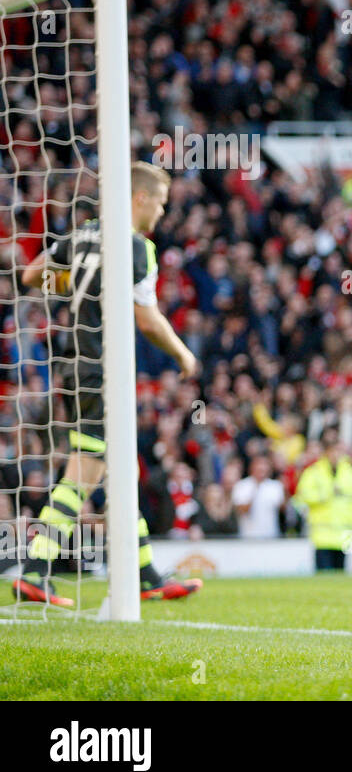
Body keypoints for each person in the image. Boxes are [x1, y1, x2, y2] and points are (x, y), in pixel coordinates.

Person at [12, 162, 202, 607]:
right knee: (83, 475)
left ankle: (147, 574)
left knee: (118, 471)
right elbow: (146, 317)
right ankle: (36, 568)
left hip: (75, 367)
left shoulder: (79, 235)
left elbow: (29, 276)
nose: (160, 212)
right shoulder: (136, 246)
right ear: (139, 199)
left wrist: (74, 283)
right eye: (158, 203)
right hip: (103, 369)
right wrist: (183, 354)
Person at [295, 429, 352, 572]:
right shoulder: (313, 472)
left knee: (342, 573)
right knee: (324, 575)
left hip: (346, 534)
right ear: (326, 452)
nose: (336, 455)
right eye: (332, 451)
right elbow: (301, 498)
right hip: (322, 535)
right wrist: (326, 494)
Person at [232, 454, 285, 539]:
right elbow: (242, 510)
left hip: (271, 536)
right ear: (251, 467)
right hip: (248, 537)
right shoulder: (241, 485)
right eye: (258, 465)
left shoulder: (276, 486)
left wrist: (286, 490)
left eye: (265, 465)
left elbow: (282, 510)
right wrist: (255, 488)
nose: (261, 468)